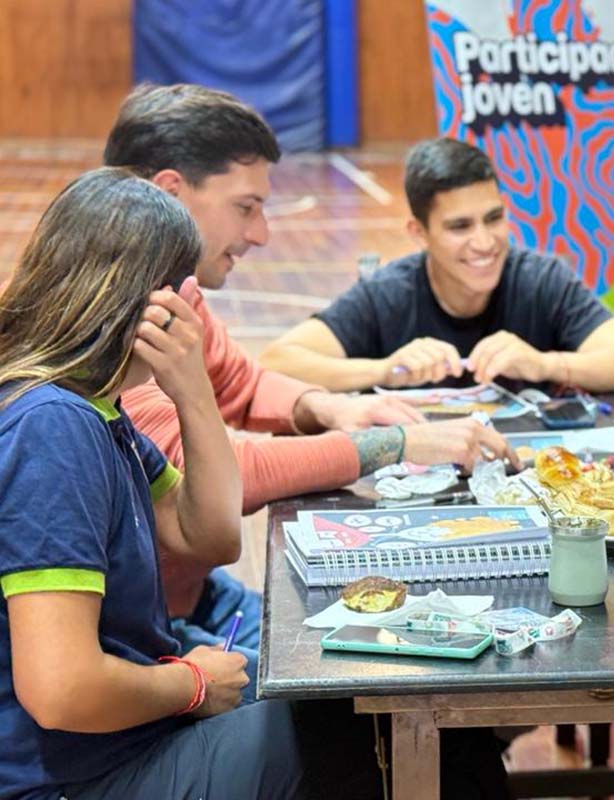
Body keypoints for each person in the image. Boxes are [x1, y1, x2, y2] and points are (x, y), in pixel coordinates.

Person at [103, 83, 519, 697]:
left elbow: (241, 383)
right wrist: (393, 443)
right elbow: (216, 478)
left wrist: (328, 406)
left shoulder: (168, 287)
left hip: (193, 595)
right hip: (144, 638)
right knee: (382, 687)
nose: (263, 233)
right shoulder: (121, 320)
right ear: (170, 192)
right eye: (247, 207)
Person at [0, 167, 386, 799]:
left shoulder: (96, 408)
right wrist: (193, 685)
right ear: (152, 303)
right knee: (360, 727)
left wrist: (194, 393)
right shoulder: (53, 426)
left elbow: (210, 536)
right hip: (70, 778)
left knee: (341, 691)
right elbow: (61, 689)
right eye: (186, 295)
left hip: (109, 746)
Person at [259, 137, 614, 394]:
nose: (484, 242)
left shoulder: (540, 280)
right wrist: (385, 370)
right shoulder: (389, 294)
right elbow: (276, 363)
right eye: (460, 227)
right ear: (419, 233)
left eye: (494, 219)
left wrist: (544, 364)